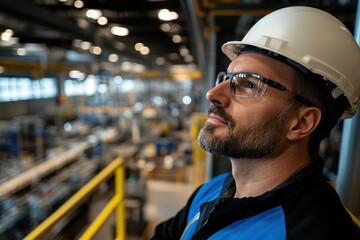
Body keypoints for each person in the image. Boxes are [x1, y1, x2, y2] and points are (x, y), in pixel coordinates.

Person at [151, 6, 360, 240]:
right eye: (227, 78)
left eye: (249, 84)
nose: (213, 94)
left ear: (301, 122)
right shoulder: (213, 191)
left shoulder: (308, 232)